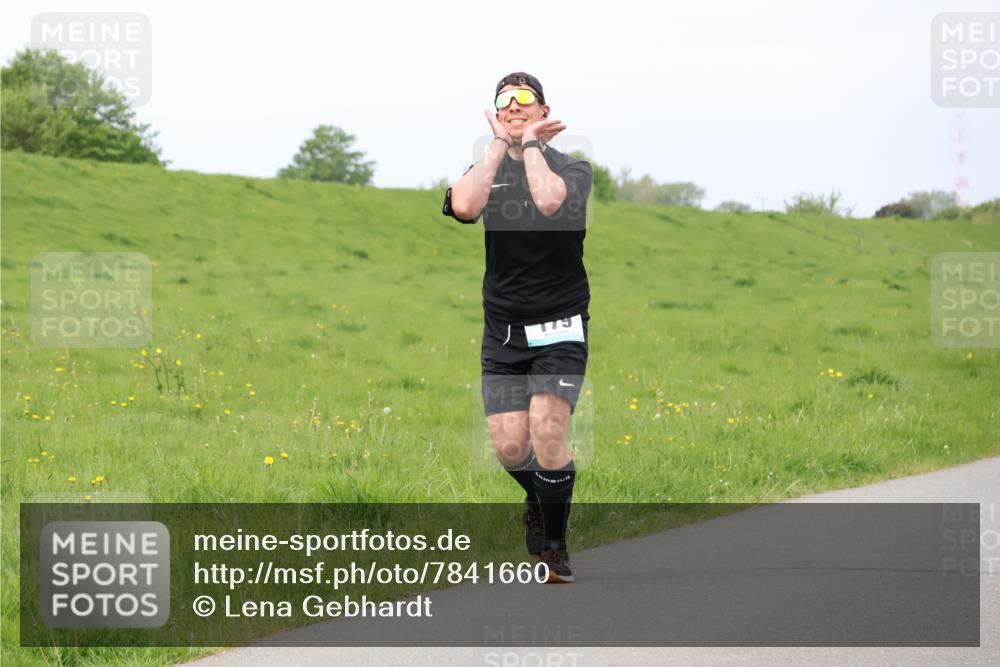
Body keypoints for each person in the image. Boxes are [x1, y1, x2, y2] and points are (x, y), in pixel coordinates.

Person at [441, 72, 593, 583]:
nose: (512, 105)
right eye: (504, 99)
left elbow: (549, 202)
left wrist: (529, 143)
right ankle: (537, 498)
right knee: (510, 447)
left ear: (544, 110)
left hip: (561, 328)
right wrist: (498, 147)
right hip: (504, 333)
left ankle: (554, 546)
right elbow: (463, 206)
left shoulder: (572, 170)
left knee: (549, 434)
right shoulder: (485, 170)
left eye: (524, 99)